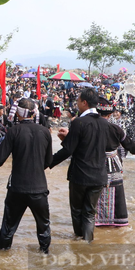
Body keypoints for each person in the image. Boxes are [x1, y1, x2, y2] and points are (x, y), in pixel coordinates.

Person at [0, 98, 53, 252]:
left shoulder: (14, 132)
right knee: (43, 227)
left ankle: (3, 260)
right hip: (39, 188)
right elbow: (49, 161)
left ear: (18, 113)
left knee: (8, 227)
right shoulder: (45, 132)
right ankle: (44, 256)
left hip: (17, 188)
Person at [49, 88, 110, 242]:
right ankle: (88, 243)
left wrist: (47, 162)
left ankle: (78, 239)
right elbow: (104, 146)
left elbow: (68, 150)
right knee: (90, 212)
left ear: (84, 103)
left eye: (77, 101)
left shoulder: (79, 122)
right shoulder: (105, 123)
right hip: (99, 176)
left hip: (80, 175)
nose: (76, 104)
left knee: (77, 210)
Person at [95, 98, 135, 227]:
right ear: (110, 114)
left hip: (95, 162)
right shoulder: (116, 128)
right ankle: (116, 221)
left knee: (96, 190)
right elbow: (130, 146)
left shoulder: (90, 126)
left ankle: (97, 220)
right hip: (113, 163)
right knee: (115, 189)